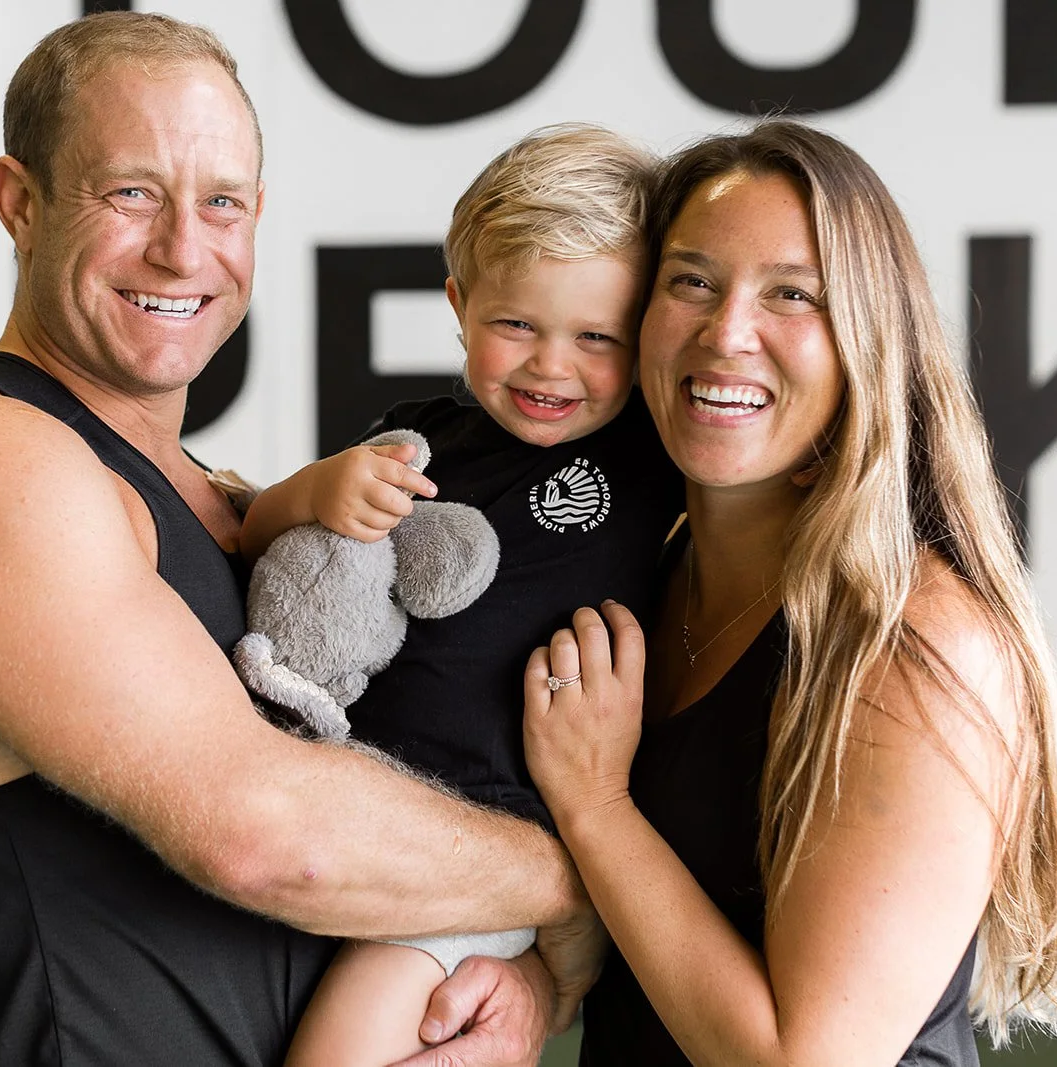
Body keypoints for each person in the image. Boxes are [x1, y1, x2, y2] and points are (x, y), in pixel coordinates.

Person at [0, 12, 601, 1067]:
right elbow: (268, 836)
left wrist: (510, 976)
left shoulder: (222, 496)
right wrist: (583, 879)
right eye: (130, 191)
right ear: (20, 201)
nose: (185, 247)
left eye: (220, 201)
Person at [512, 121, 1057, 1065]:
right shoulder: (635, 581)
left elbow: (800, 1060)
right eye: (692, 281)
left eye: (793, 294)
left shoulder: (914, 642)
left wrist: (595, 805)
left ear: (867, 343)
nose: (726, 331)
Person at [230, 125, 682, 1066]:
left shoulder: (655, 460)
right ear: (459, 305)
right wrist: (314, 493)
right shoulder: (415, 434)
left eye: (597, 337)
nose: (552, 366)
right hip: (352, 812)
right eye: (516, 324)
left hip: (487, 852)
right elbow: (260, 537)